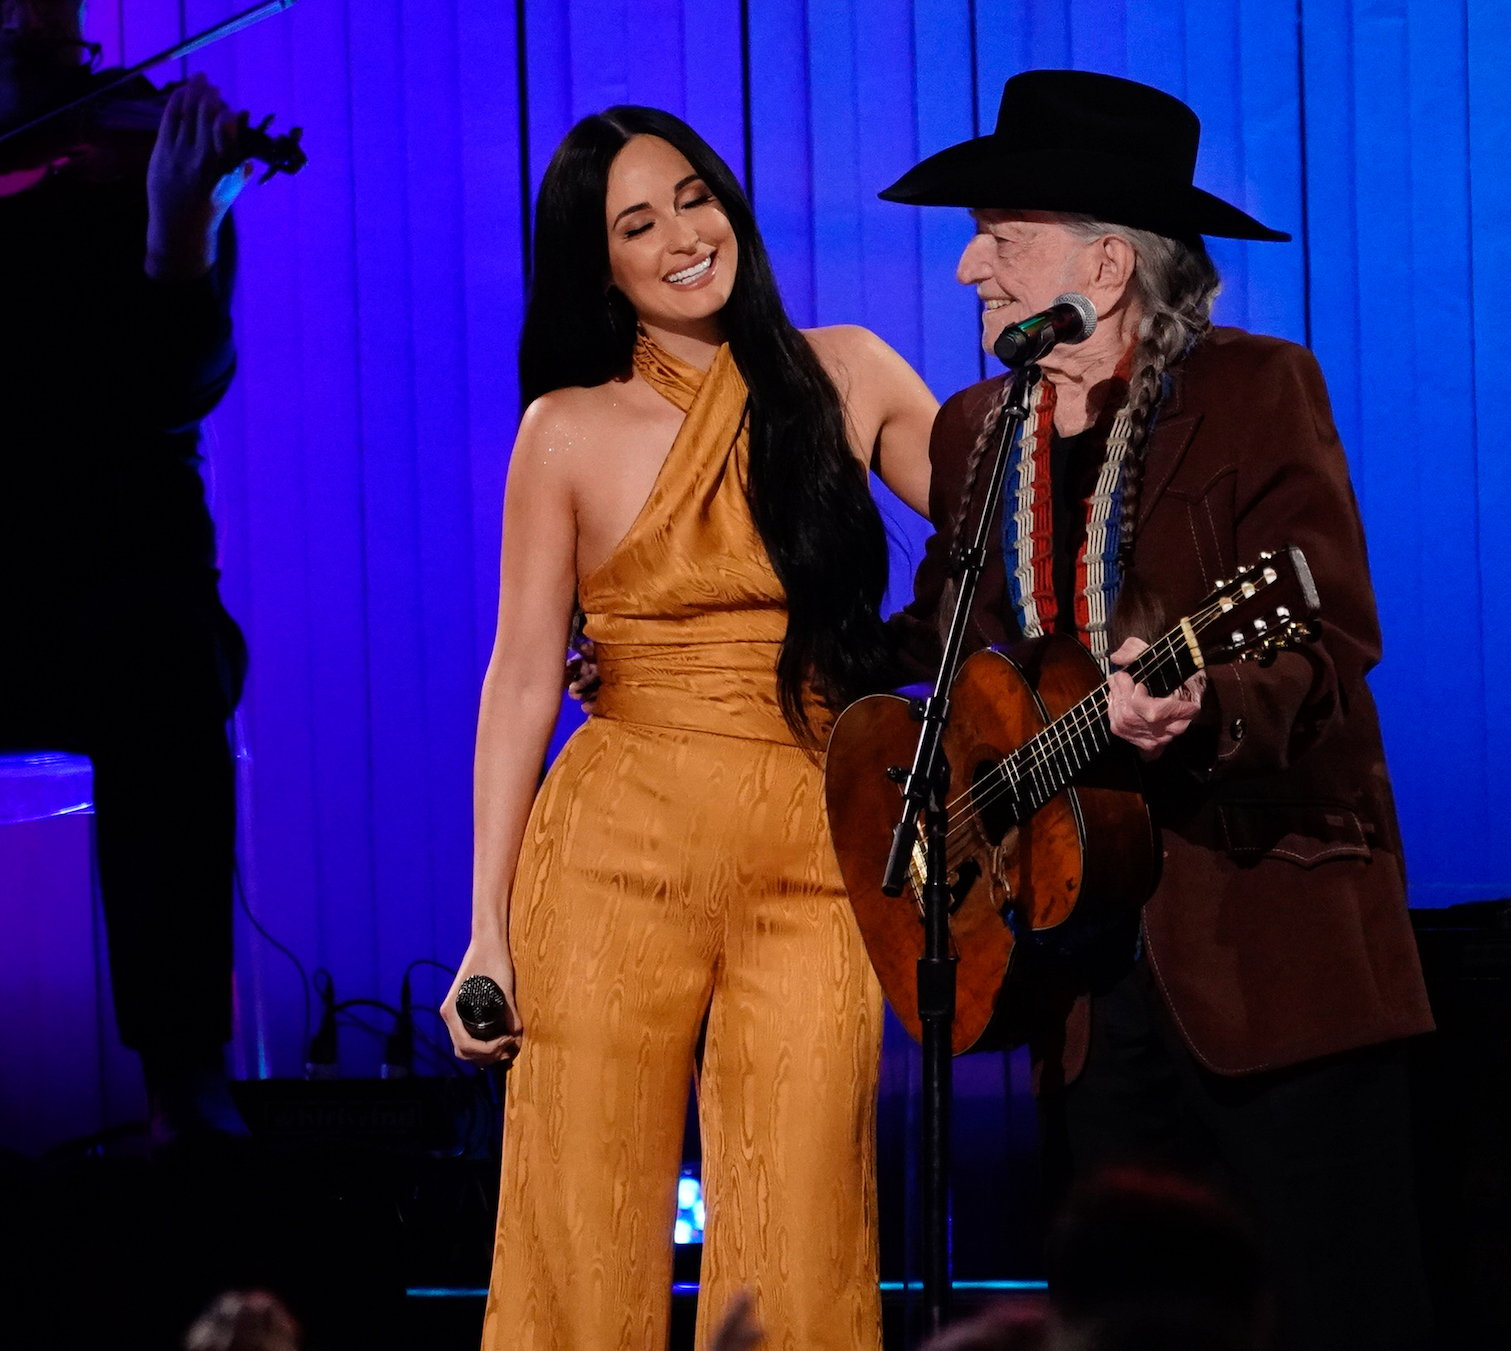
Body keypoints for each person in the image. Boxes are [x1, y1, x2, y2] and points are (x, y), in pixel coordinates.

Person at [879, 70, 1436, 1350]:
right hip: (1080, 973)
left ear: (1110, 265)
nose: (971, 267)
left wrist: (1208, 705)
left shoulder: (1254, 390)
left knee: (1331, 1311)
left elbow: (1328, 626)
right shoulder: (977, 431)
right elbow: (939, 642)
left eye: (1002, 238)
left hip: (1269, 942)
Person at [439, 106, 936, 1351]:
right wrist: (485, 931)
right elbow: (518, 681)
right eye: (637, 223)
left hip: (817, 856)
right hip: (610, 855)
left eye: (695, 197)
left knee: (809, 1234)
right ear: (598, 264)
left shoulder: (850, 372)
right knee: (582, 1227)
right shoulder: (565, 426)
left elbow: (1004, 529)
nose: (681, 236)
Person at [0, 0, 253, 1148]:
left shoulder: (152, 149)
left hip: (111, 561)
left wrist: (178, 237)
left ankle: (184, 1072)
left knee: (164, 668)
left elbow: (173, 393)